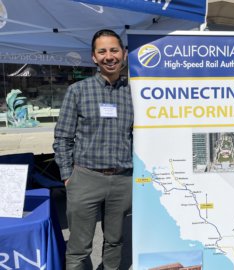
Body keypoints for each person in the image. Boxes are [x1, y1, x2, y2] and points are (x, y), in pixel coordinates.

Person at [53, 29, 133, 270]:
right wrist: (68, 176)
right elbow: (62, 137)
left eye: (114, 50)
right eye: (103, 51)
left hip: (122, 180)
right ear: (94, 57)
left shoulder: (135, 93)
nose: (109, 56)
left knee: (115, 242)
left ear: (124, 54)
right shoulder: (78, 91)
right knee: (79, 247)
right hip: (85, 178)